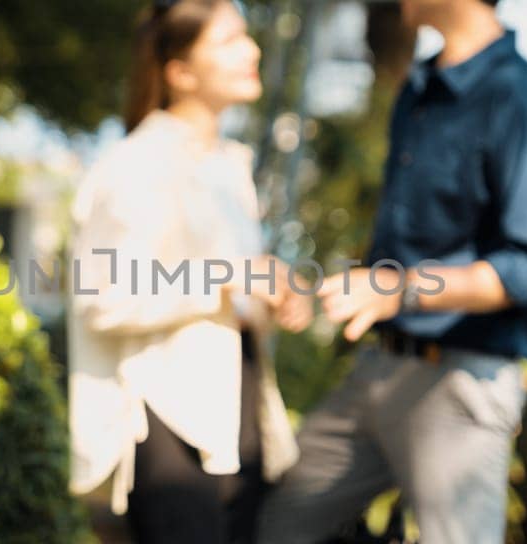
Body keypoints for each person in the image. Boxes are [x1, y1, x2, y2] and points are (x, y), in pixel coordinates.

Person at [257, 0, 527, 542]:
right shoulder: (420, 89)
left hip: (458, 381)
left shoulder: (520, 100)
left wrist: (400, 289)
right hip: (380, 365)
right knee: (278, 525)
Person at [66, 1, 313, 542]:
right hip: (168, 424)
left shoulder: (230, 166)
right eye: (229, 41)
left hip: (237, 409)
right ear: (179, 72)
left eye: (246, 37)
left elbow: (228, 290)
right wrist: (228, 278)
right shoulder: (134, 165)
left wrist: (274, 297)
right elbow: (102, 294)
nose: (251, 51)